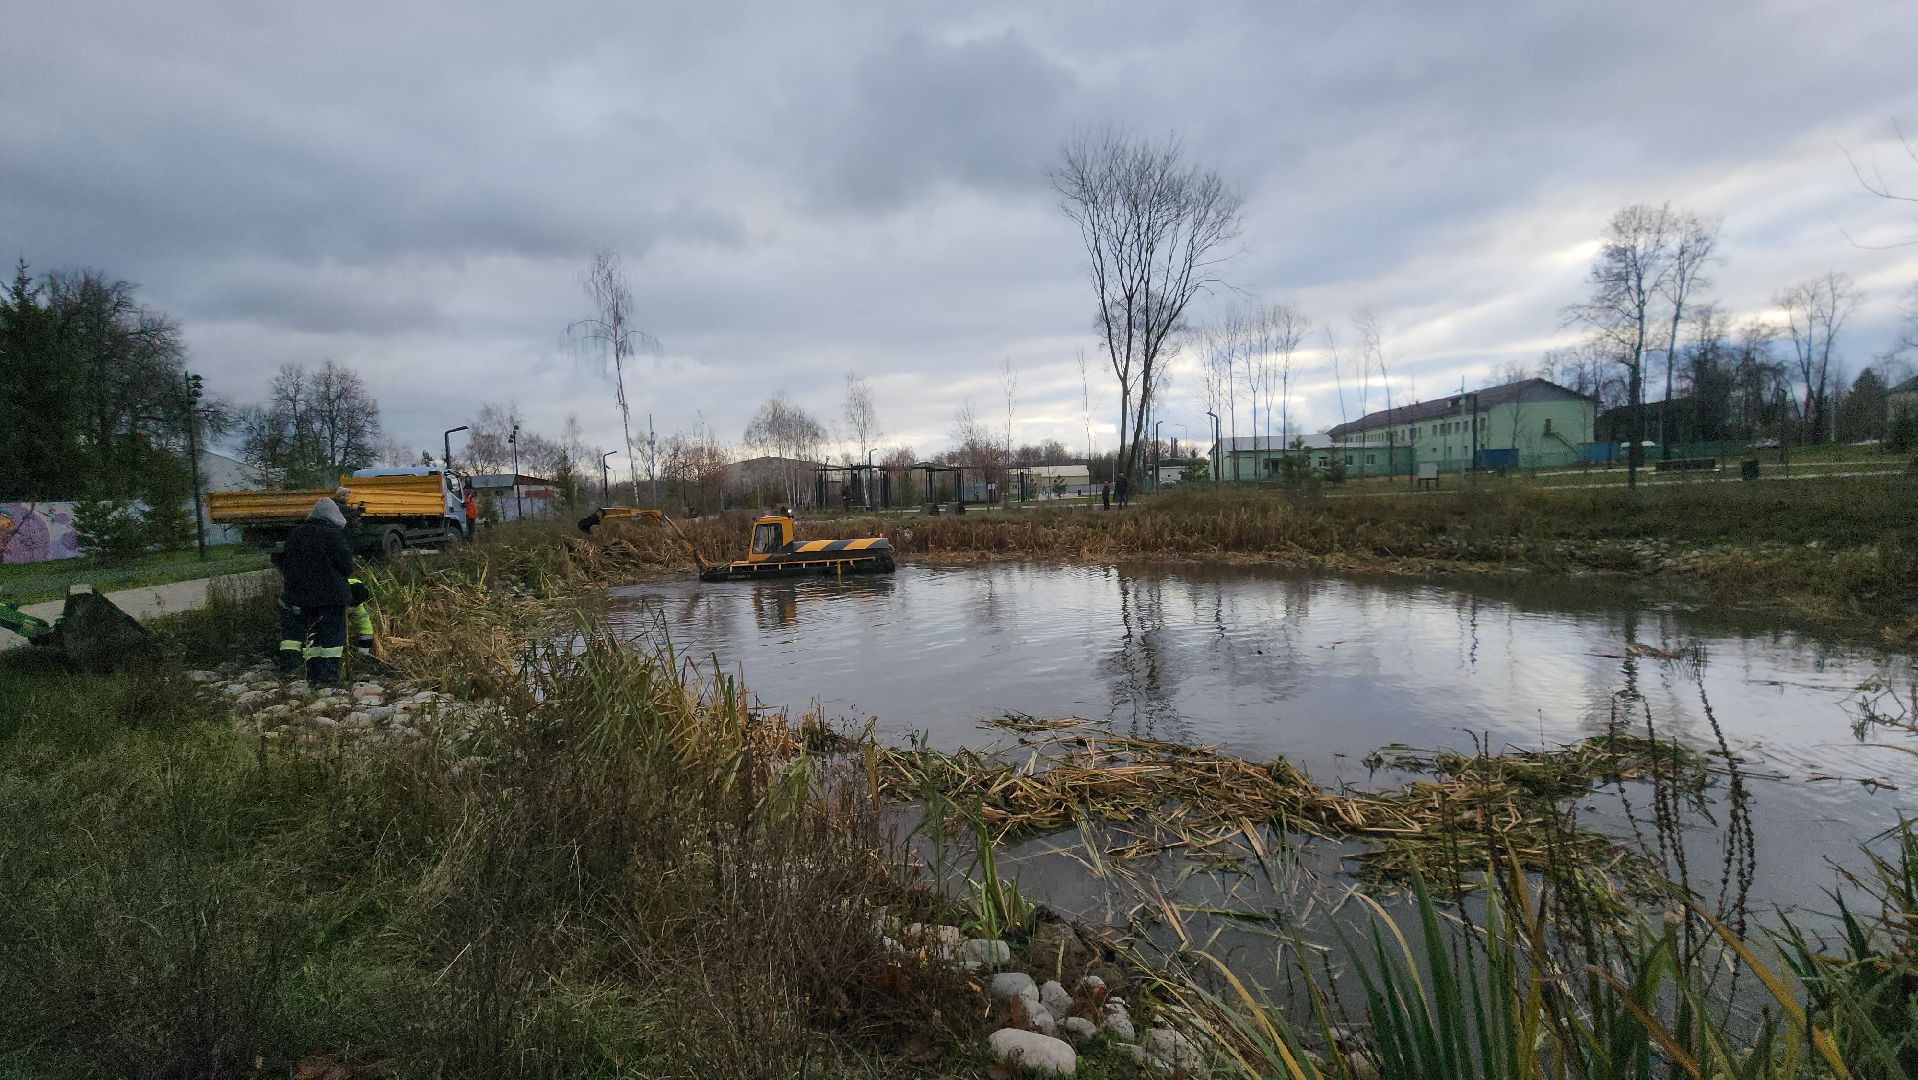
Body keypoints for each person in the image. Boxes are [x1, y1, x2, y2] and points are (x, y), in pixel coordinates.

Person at [274, 498, 356, 686]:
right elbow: (346, 566)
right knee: (332, 637)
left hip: (302, 597)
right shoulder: (333, 535)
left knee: (312, 636)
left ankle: (312, 673)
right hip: (331, 597)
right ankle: (330, 676)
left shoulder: (295, 534)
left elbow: (283, 562)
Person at [347, 576, 375, 656]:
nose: (353, 607)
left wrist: (364, 651)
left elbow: (365, 628)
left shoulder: (357, 603)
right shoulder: (331, 589)